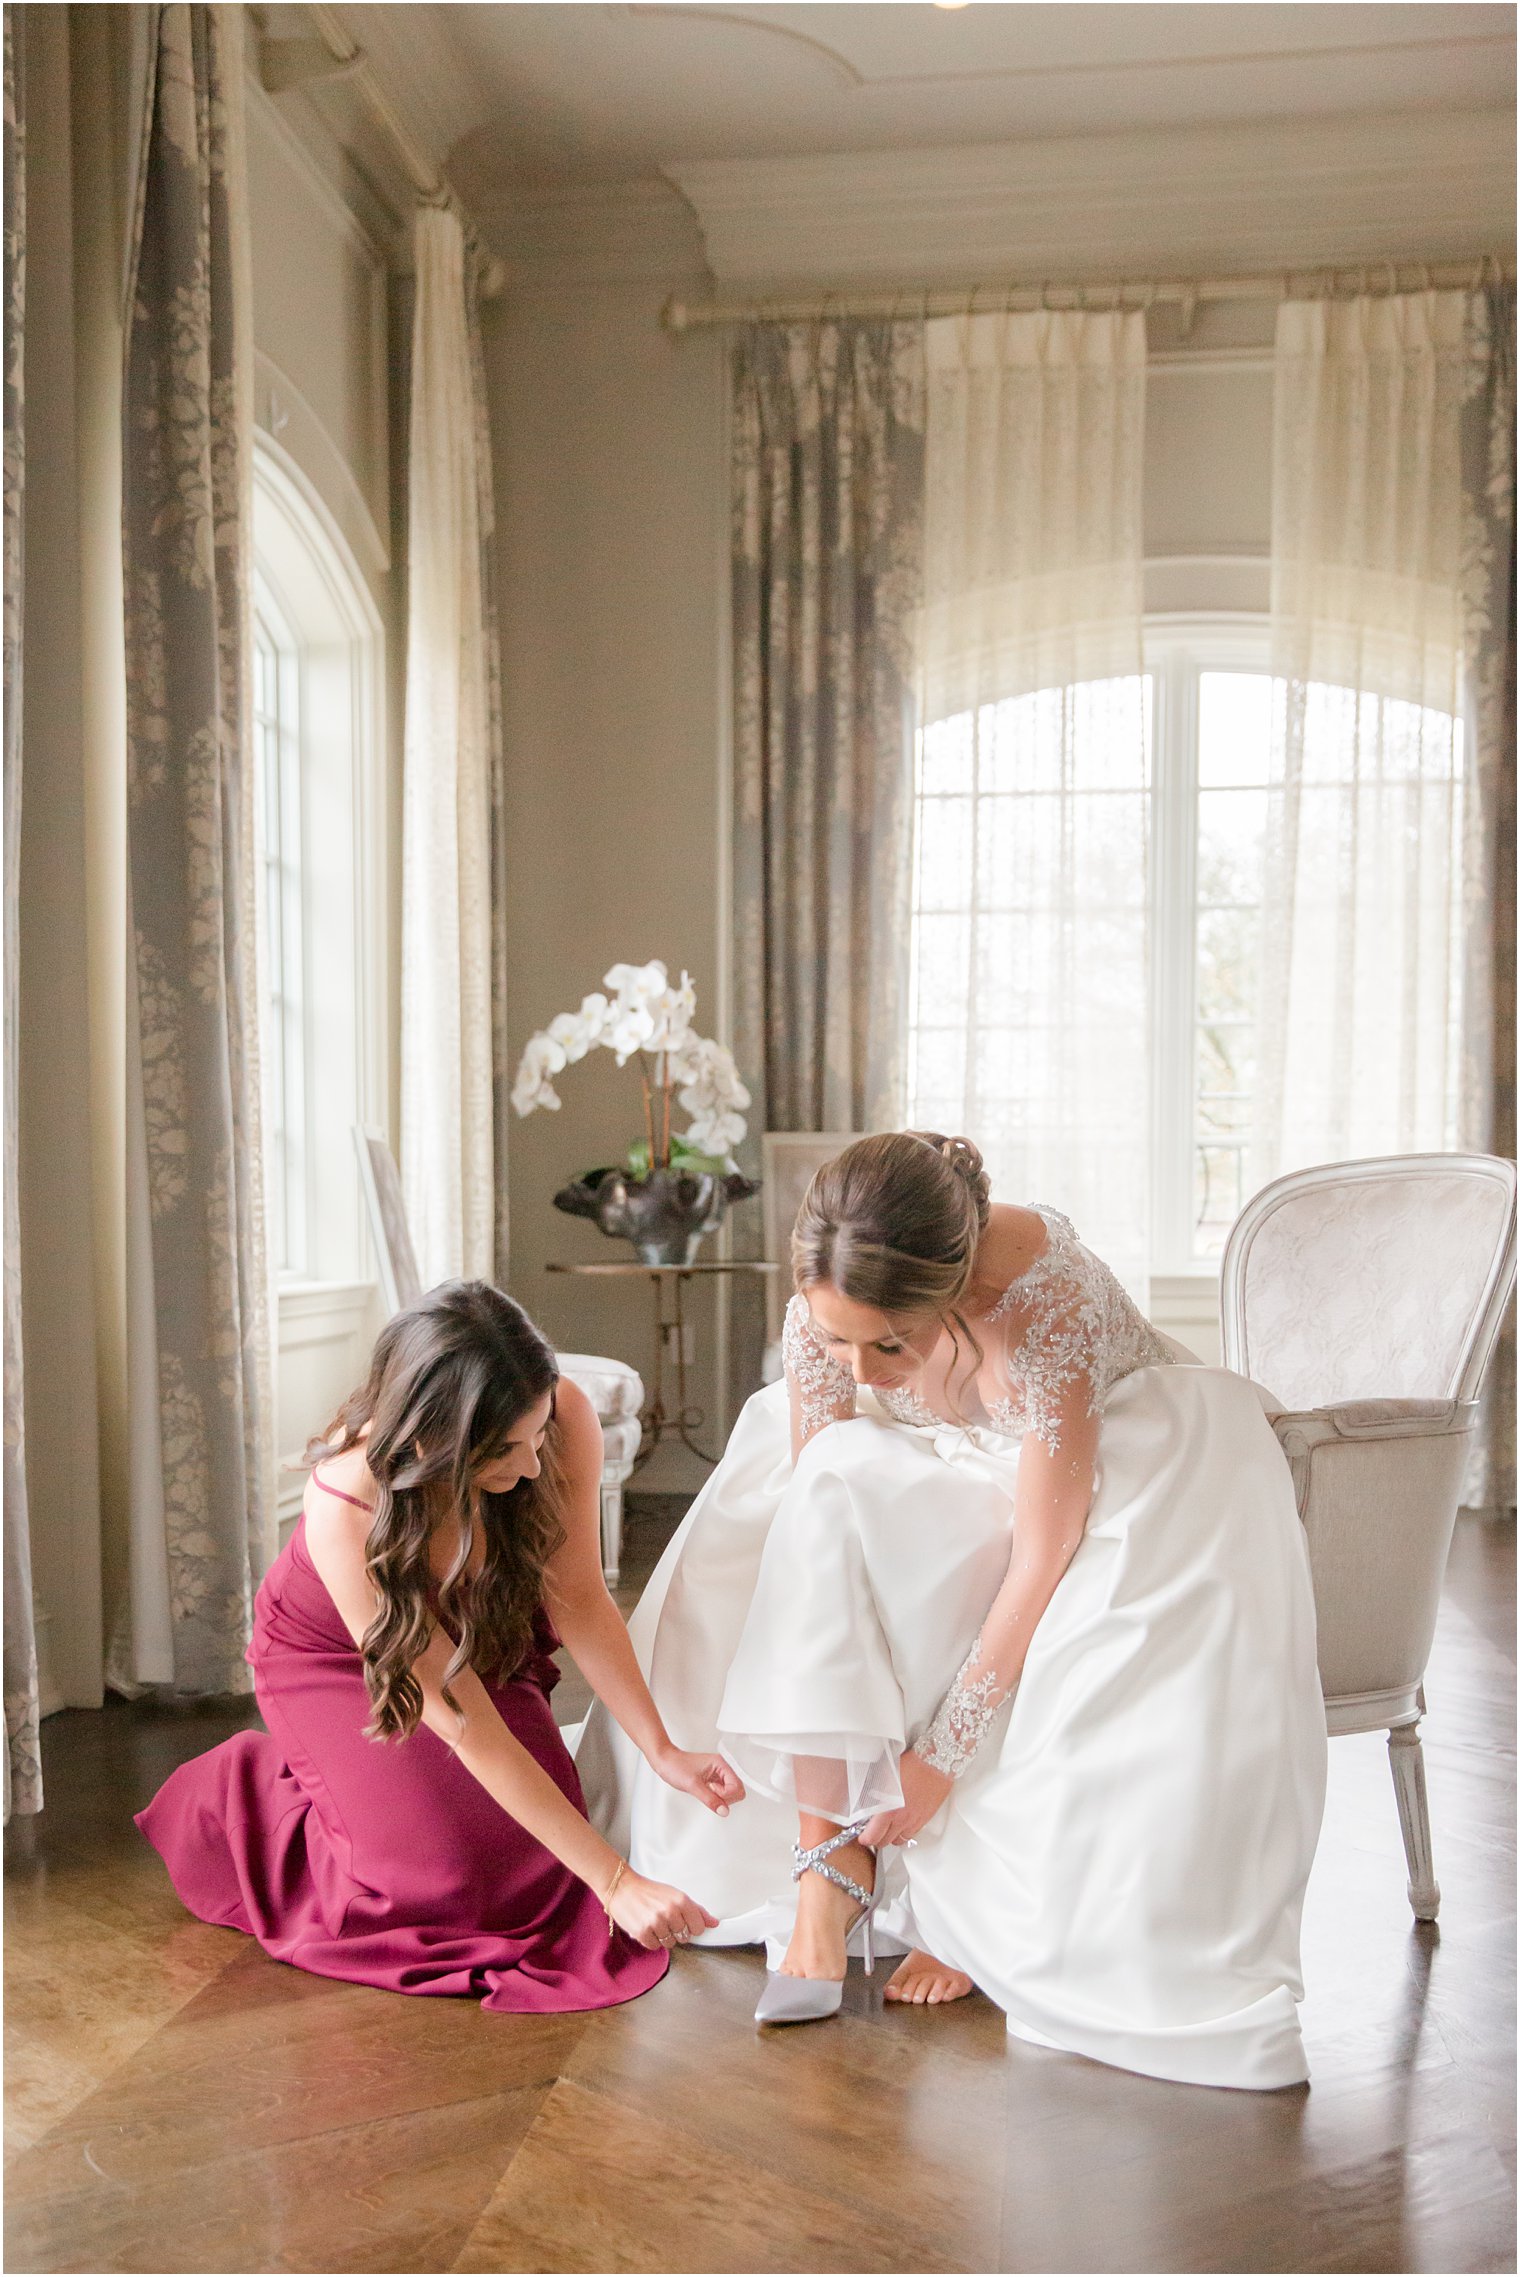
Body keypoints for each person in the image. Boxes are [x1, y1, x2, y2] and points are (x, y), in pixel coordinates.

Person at [575, 1133, 1328, 2087]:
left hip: (1095, 1485)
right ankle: (824, 1877)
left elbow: (1043, 1552)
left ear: (955, 1285)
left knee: (1088, 1617)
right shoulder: (833, 1290)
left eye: (890, 1342)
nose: (857, 1368)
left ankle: (960, 1906)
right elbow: (824, 1496)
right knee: (806, 1507)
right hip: (931, 1475)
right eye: (834, 1339)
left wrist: (936, 1761)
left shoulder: (1047, 1305)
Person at [137, 1281, 742, 2014]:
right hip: (336, 1660)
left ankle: (363, 1787)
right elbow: (466, 1724)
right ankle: (246, 1789)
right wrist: (616, 1882)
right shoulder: (346, 1509)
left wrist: (663, 1749)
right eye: (502, 1452)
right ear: (431, 1444)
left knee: (530, 1870)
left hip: (476, 1630)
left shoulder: (559, 1413)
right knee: (444, 1886)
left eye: (536, 1434)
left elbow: (578, 1594)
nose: (528, 1467)